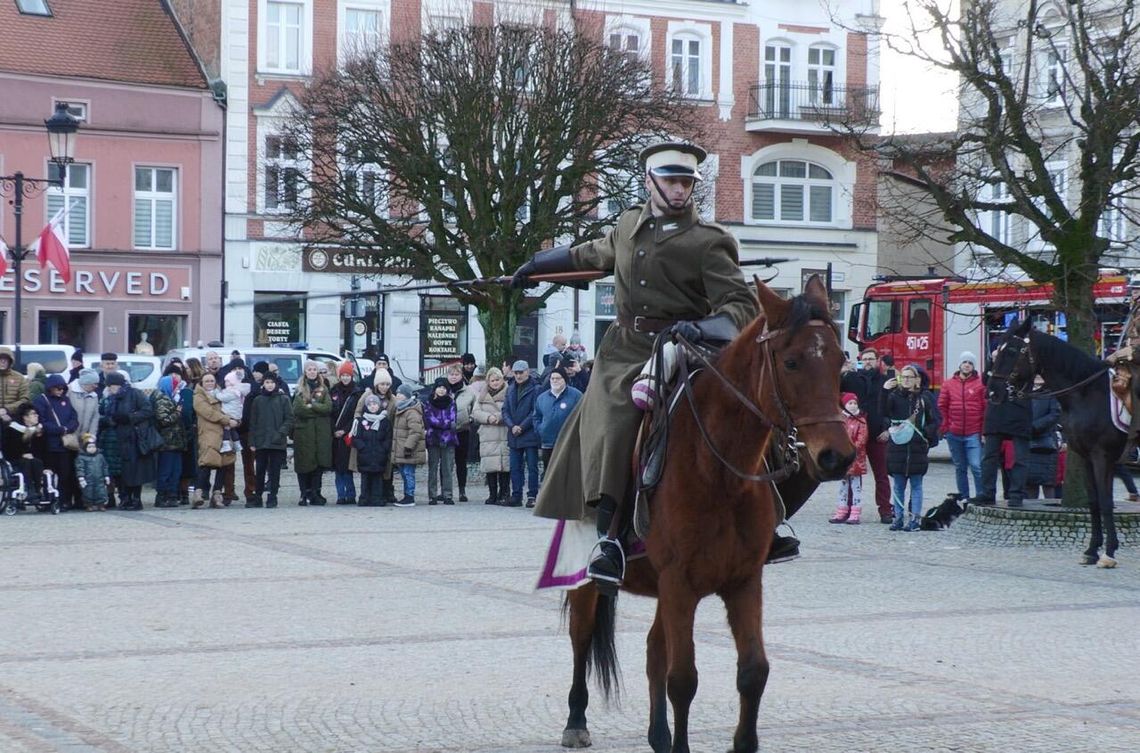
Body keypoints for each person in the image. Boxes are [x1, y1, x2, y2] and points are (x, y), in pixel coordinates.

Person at [520, 141, 759, 588]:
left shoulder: (710, 241)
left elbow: (741, 306)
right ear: (649, 181)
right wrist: (535, 265)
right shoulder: (629, 222)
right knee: (613, 424)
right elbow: (592, 255)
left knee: (749, 411)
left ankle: (769, 517)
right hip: (625, 350)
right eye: (670, 179)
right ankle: (609, 537)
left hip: (688, 348)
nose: (679, 188)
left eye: (686, 181)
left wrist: (706, 328)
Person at [882, 364, 940, 530]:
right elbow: (883, 413)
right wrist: (884, 391)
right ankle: (898, 518)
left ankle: (914, 519)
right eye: (904, 377)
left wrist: (925, 435)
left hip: (917, 448)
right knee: (898, 485)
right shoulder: (894, 396)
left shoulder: (925, 398)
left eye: (909, 377)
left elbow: (934, 420)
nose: (906, 380)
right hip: (898, 448)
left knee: (916, 485)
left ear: (917, 380)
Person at [841, 348, 892, 523]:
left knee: (882, 475)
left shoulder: (886, 381)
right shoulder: (852, 379)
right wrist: (841, 373)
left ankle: (885, 510)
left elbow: (891, 408)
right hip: (854, 436)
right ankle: (848, 509)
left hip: (877, 434)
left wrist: (888, 428)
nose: (868, 362)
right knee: (851, 474)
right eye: (865, 359)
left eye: (871, 358)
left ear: (878, 361)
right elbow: (837, 395)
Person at [976, 351, 1031, 507]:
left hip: (1020, 413)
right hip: (996, 413)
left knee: (1020, 458)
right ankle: (987, 493)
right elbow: (986, 381)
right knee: (989, 457)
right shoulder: (997, 365)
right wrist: (992, 361)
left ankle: (1016, 494)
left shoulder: (1025, 362)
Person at [99, 372, 156, 511]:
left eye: (111, 386)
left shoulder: (135, 393)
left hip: (133, 438)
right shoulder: (110, 398)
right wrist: (108, 421)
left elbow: (148, 411)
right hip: (116, 439)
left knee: (135, 471)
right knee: (121, 471)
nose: (110, 389)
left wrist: (129, 417)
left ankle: (136, 499)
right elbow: (106, 414)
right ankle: (125, 498)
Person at [938, 351, 986, 501]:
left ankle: (980, 496)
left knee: (976, 466)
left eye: (970, 363)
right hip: (954, 432)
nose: (967, 365)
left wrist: (983, 431)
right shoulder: (948, 384)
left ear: (973, 366)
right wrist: (946, 426)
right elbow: (942, 406)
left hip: (973, 432)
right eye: (965, 362)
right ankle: (964, 497)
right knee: (960, 468)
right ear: (960, 364)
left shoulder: (980, 384)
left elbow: (985, 409)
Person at [192, 371, 237, 508]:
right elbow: (208, 413)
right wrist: (227, 419)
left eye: (212, 381)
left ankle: (217, 494)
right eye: (207, 381)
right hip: (208, 433)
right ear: (202, 383)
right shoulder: (198, 397)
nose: (210, 383)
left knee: (223, 464)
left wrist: (235, 419)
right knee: (206, 463)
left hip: (224, 434)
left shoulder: (222, 394)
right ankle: (198, 493)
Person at [34, 373, 79, 511]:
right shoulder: (41, 400)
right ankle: (49, 499)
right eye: (57, 388)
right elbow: (41, 420)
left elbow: (74, 417)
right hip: (48, 444)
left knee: (65, 474)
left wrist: (68, 428)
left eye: (62, 388)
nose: (60, 390)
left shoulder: (66, 400)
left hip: (65, 445)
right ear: (50, 388)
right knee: (49, 474)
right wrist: (59, 429)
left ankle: (64, 500)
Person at [248, 373, 293, 508]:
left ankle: (272, 496)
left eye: (272, 382)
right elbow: (253, 422)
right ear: (263, 384)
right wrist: (252, 441)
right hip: (261, 441)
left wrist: (281, 433)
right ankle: (258, 496)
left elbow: (289, 419)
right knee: (260, 470)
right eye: (267, 382)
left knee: (274, 471)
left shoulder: (283, 399)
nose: (270, 385)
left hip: (277, 441)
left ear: (276, 384)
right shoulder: (258, 400)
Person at [533, 367, 583, 486]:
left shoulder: (576, 395)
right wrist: (540, 429)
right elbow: (536, 417)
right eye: (552, 378)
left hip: (568, 443)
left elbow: (583, 415)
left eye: (558, 378)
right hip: (547, 443)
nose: (555, 381)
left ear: (564, 379)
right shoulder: (542, 398)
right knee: (549, 474)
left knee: (568, 475)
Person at [293, 360, 333, 506]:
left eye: (314, 369)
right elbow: (298, 410)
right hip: (304, 433)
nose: (312, 372)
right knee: (304, 464)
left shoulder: (324, 388)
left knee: (318, 464)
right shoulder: (299, 389)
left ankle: (316, 492)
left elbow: (328, 408)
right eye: (309, 369)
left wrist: (312, 405)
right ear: (305, 371)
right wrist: (317, 410)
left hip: (320, 433)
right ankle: (304, 493)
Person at [502, 359, 540, 508]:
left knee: (532, 467)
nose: (518, 375)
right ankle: (516, 495)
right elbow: (505, 410)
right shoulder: (510, 388)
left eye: (521, 372)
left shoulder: (536, 388)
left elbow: (535, 411)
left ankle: (532, 495)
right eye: (516, 372)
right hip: (514, 433)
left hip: (529, 433)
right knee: (515, 467)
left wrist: (521, 426)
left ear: (528, 371)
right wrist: (512, 426)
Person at [472, 367, 512, 505]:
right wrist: (488, 418)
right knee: (490, 465)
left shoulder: (509, 392)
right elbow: (475, 412)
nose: (495, 383)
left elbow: (512, 409)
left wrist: (499, 417)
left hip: (504, 432)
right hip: (488, 433)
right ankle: (492, 494)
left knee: (505, 465)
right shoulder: (482, 395)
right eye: (492, 380)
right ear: (488, 381)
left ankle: (504, 493)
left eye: (498, 379)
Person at [830, 392, 868, 524]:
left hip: (855, 459)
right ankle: (841, 511)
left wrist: (850, 448)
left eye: (854, 403)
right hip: (843, 459)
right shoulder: (841, 420)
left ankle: (855, 512)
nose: (852, 405)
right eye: (850, 403)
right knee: (843, 486)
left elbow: (862, 439)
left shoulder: (860, 420)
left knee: (856, 487)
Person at [350, 393, 393, 506]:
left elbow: (388, 438)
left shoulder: (384, 421)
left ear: (379, 406)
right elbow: (356, 437)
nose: (373, 406)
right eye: (370, 405)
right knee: (365, 479)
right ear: (366, 406)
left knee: (377, 479)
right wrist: (362, 447)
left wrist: (383, 448)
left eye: (375, 404)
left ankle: (377, 498)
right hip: (365, 455)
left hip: (379, 455)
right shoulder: (361, 421)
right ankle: (364, 498)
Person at [152, 375, 186, 508]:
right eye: (175, 386)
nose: (177, 389)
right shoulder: (162, 399)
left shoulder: (170, 398)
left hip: (175, 442)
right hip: (167, 442)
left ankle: (172, 496)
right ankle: (161, 496)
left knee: (175, 470)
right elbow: (163, 420)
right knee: (166, 470)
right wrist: (177, 412)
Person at [330, 361, 363, 505]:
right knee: (338, 468)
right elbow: (329, 413)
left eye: (347, 375)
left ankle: (351, 494)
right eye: (342, 375)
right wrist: (334, 430)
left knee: (347, 466)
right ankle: (340, 495)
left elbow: (356, 415)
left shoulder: (357, 392)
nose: (345, 378)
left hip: (349, 434)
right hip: (335, 434)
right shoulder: (333, 391)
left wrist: (345, 430)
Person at [2, 402, 47, 504]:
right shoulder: (12, 429)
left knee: (36, 461)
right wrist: (21, 454)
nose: (36, 416)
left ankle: (37, 490)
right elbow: (7, 449)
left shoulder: (38, 430)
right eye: (33, 414)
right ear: (25, 417)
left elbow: (41, 449)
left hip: (32, 460)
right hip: (15, 459)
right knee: (26, 462)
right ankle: (29, 490)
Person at [1026, 375, 1062, 500]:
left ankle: (1050, 509)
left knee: (1048, 482)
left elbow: (1055, 414)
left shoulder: (1052, 392)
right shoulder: (1025, 391)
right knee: (1030, 482)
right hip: (1028, 440)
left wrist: (1035, 426)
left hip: (1047, 440)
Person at [423, 377, 458, 505]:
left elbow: (453, 419)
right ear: (435, 389)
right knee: (433, 467)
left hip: (448, 439)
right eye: (439, 387)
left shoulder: (451, 402)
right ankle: (432, 495)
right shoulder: (429, 402)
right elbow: (429, 419)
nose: (441, 390)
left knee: (447, 467)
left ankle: (447, 494)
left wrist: (442, 424)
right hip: (433, 438)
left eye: (444, 388)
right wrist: (444, 424)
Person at [391, 382, 426, 506]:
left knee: (408, 473)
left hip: (409, 449)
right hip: (402, 449)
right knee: (404, 473)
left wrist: (408, 446)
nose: (398, 395)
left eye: (400, 393)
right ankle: (407, 494)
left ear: (406, 395)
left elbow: (416, 431)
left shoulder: (411, 411)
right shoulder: (400, 408)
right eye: (397, 393)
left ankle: (409, 496)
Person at [445, 364, 474, 501]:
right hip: (445, 432)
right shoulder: (442, 389)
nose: (454, 377)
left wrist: (471, 419)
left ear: (461, 376)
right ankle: (445, 490)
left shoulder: (469, 392)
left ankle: (462, 490)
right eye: (451, 374)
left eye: (456, 374)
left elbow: (475, 407)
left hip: (462, 430)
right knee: (445, 462)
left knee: (461, 462)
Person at [74, 433, 109, 511]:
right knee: (88, 492)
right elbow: (80, 468)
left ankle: (101, 504)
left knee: (101, 491)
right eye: (89, 447)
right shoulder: (81, 457)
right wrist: (81, 477)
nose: (92, 448)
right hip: (88, 479)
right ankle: (88, 504)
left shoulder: (100, 456)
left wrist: (106, 476)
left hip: (99, 479)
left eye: (93, 446)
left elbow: (104, 466)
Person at [0, 347, 30, 428]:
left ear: (10, 361)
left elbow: (25, 400)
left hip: (14, 420)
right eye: (0, 359)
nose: (2, 362)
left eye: (5, 359)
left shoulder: (19, 378)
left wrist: (6, 410)